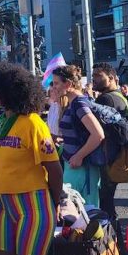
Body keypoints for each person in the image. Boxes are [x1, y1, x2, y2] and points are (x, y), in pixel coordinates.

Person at [0, 62, 62, 255]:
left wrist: (55, 205)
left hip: (35, 208)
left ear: (9, 92)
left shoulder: (34, 123)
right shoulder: (0, 124)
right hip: (7, 207)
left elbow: (54, 170)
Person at [53, 64, 105, 207]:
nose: (54, 87)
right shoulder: (76, 103)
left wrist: (79, 156)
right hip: (76, 167)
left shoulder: (79, 104)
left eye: (56, 83)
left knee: (82, 214)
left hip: (81, 169)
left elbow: (98, 134)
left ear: (68, 84)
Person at [91, 63, 128, 247]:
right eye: (93, 76)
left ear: (113, 78)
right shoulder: (120, 97)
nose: (94, 80)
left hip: (107, 158)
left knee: (105, 208)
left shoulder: (106, 100)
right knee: (108, 206)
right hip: (115, 157)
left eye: (99, 76)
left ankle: (115, 251)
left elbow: (96, 132)